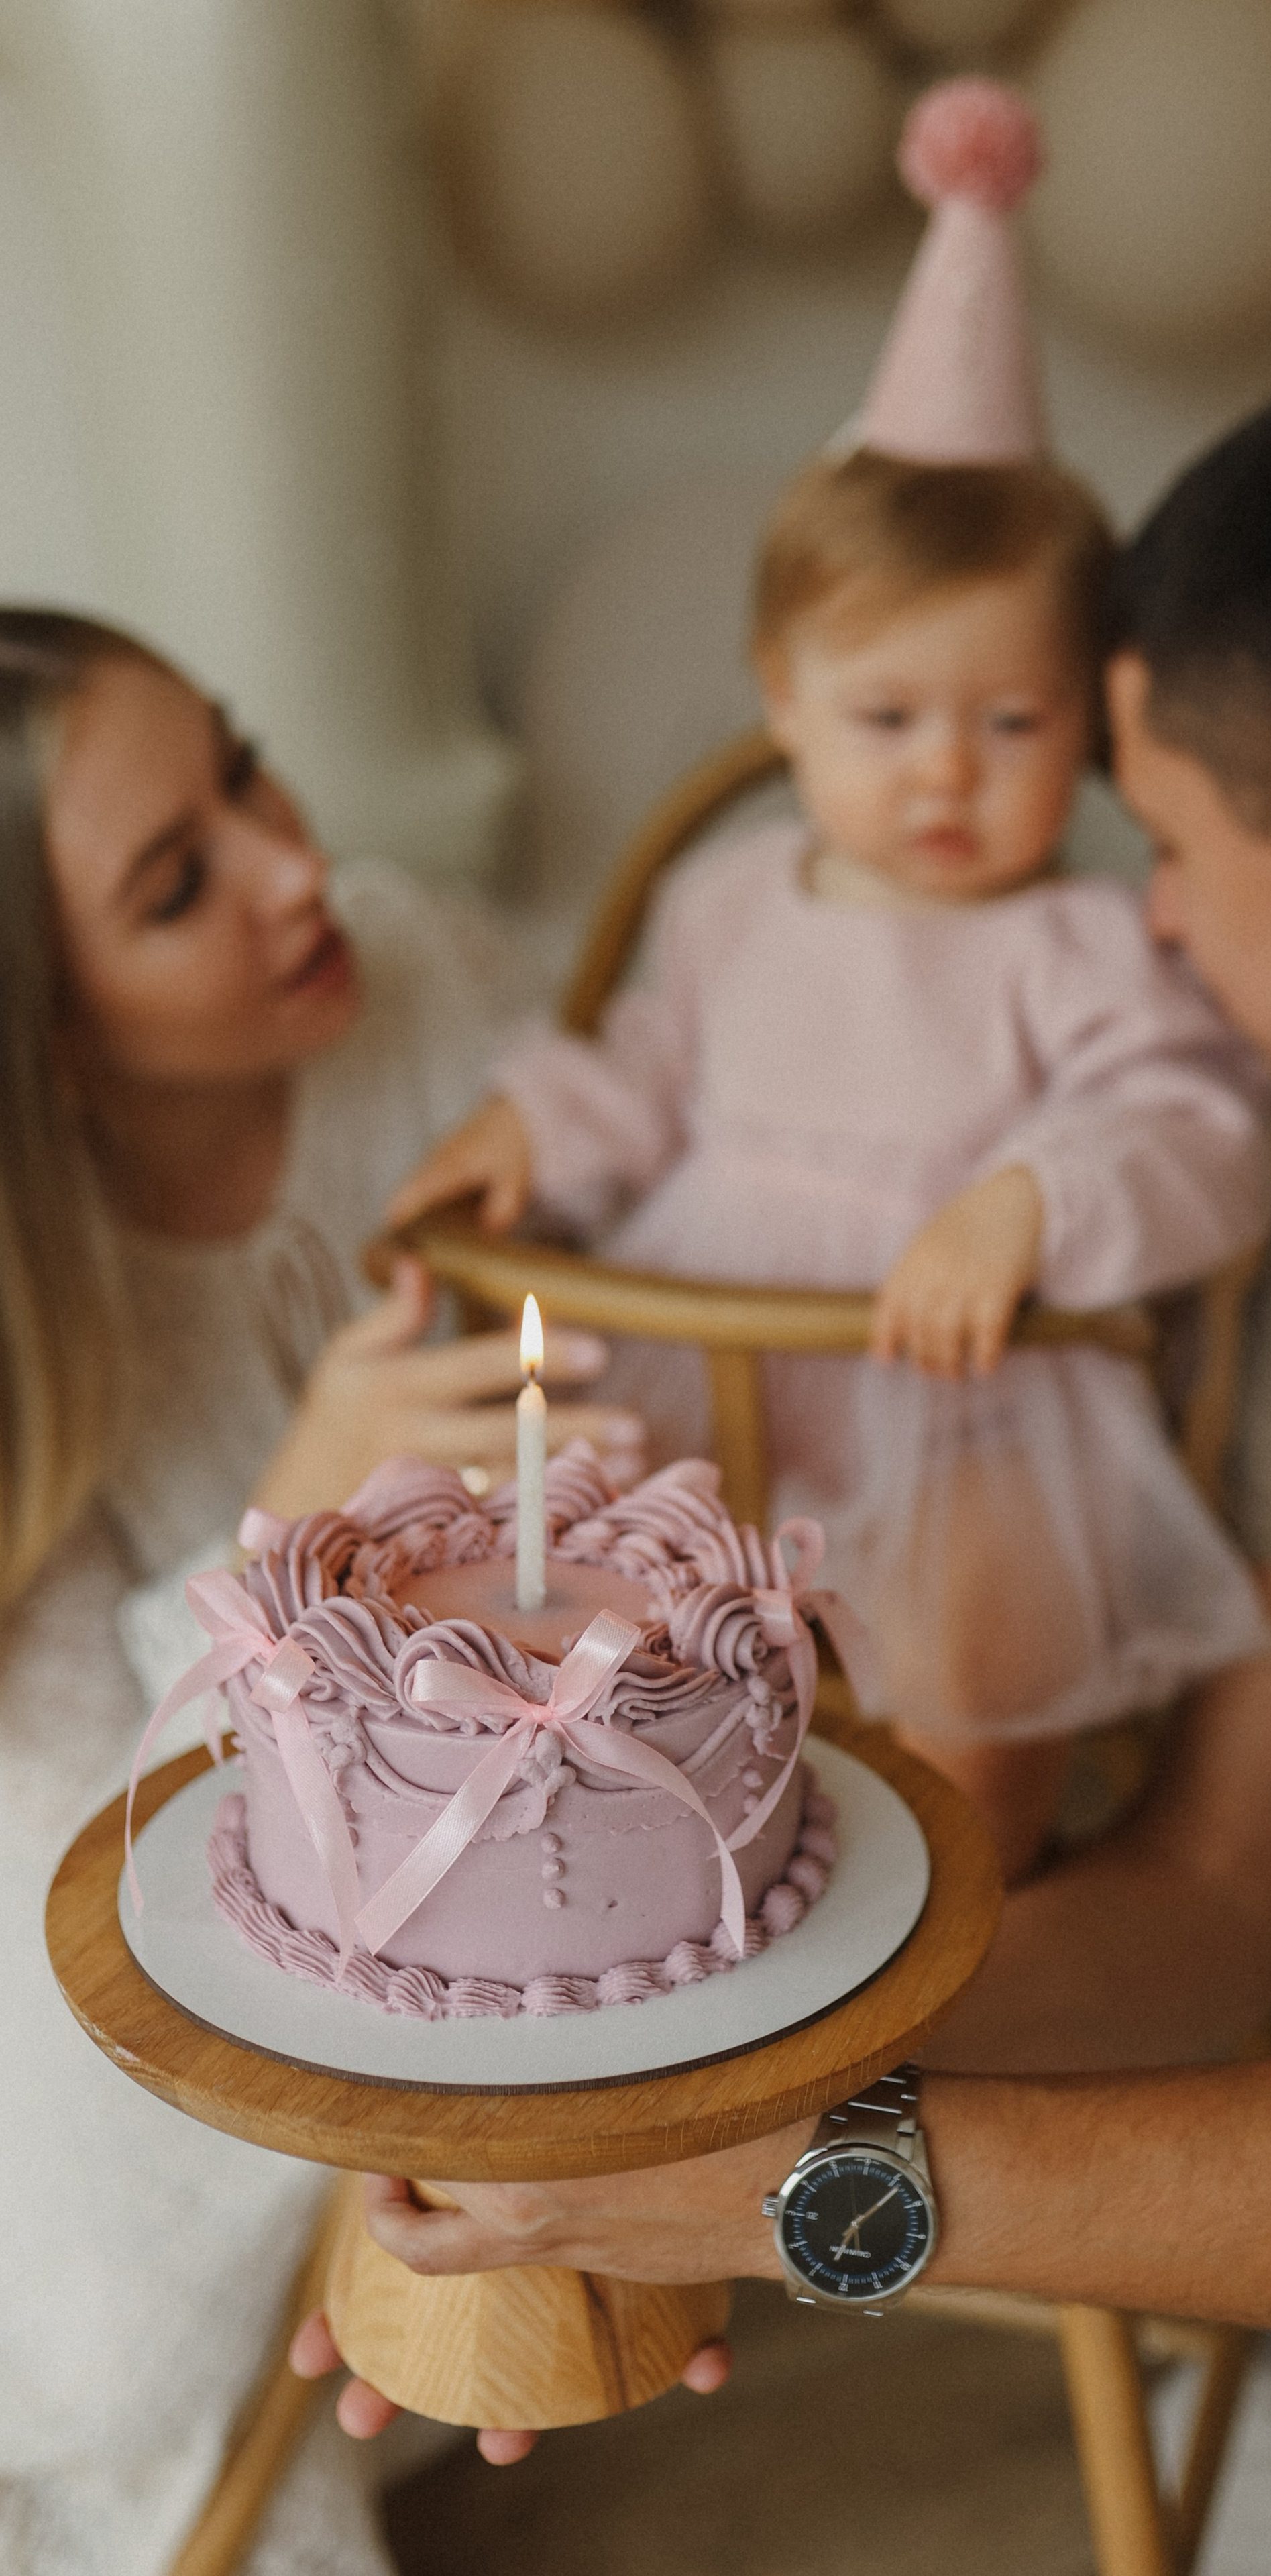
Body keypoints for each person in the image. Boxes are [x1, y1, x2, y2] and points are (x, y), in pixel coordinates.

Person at [313, 374, 1271, 2573]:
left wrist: (797, 2190)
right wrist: (672, 2065)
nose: (1141, 916)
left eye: (1151, 829)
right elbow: (1215, 1910)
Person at [388, 80, 1271, 1884]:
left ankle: (968, 1909)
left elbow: (1200, 1134)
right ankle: (652, 1881)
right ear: (782, 701)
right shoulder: (728, 901)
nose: (946, 775)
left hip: (957, 1395)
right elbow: (635, 1067)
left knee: (989, 1651)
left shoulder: (1081, 944)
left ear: (1089, 729)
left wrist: (1034, 1195)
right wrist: (524, 1122)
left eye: (1010, 723)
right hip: (714, 1353)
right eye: (886, 721)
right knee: (589, 1569)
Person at [0, 608, 644, 2576]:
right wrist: (282, 1525)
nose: (301, 870)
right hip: (180, 1864)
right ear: (45, 1033)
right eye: (180, 884)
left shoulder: (430, 986)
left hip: (518, 1828)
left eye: (245, 766)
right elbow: (92, 1822)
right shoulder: (53, 1305)